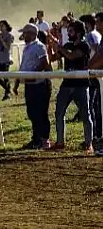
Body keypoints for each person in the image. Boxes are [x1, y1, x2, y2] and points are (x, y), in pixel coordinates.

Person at [48, 20, 93, 154]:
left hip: (81, 85)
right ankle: (60, 142)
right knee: (59, 113)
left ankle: (88, 144)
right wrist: (50, 45)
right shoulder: (67, 45)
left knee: (86, 115)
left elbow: (71, 56)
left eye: (71, 31)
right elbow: (52, 58)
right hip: (66, 84)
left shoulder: (84, 46)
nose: (68, 33)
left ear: (79, 32)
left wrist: (59, 46)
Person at [17, 23, 52, 150]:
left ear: (31, 34)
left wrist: (34, 74)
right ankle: (36, 139)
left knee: (40, 113)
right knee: (32, 113)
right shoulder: (27, 47)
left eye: (25, 33)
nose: (23, 35)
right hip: (30, 84)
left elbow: (45, 62)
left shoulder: (39, 47)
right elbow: (23, 66)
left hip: (39, 85)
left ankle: (43, 139)